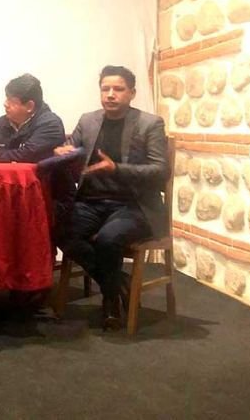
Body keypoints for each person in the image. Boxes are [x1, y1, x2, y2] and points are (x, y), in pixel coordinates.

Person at [54, 65, 169, 330]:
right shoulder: (88, 120)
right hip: (91, 201)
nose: (110, 94)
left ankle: (110, 303)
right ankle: (118, 283)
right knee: (58, 229)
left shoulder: (150, 123)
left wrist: (116, 168)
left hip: (135, 205)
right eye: (105, 89)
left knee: (108, 239)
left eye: (118, 89)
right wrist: (64, 151)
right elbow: (72, 148)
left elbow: (160, 171)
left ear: (132, 93)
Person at [0, 73, 65, 163]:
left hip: (41, 180)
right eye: (6, 98)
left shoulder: (51, 124)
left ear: (29, 106)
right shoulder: (1, 123)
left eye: (11, 101)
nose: (5, 104)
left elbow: (27, 154)